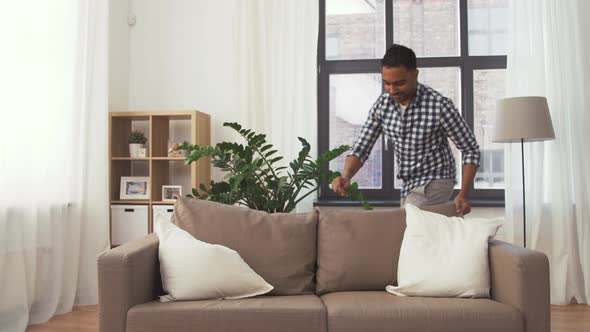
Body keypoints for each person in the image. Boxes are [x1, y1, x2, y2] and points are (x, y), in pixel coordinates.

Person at [331, 44, 480, 215]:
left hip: (436, 179)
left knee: (407, 223)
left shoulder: (439, 105)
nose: (392, 90)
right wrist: (346, 176)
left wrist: (463, 195)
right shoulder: (383, 105)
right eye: (387, 83)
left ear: (415, 74)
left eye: (399, 83)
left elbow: (470, 149)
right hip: (409, 185)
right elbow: (362, 147)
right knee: (419, 232)